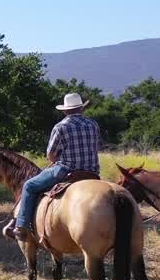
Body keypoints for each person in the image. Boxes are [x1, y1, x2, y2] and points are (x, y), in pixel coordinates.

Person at [12, 92, 102, 241]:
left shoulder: (61, 126)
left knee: (29, 185)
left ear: (65, 110)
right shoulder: (93, 124)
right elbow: (98, 146)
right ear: (81, 108)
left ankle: (21, 226)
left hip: (66, 171)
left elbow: (51, 155)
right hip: (92, 172)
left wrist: (60, 156)